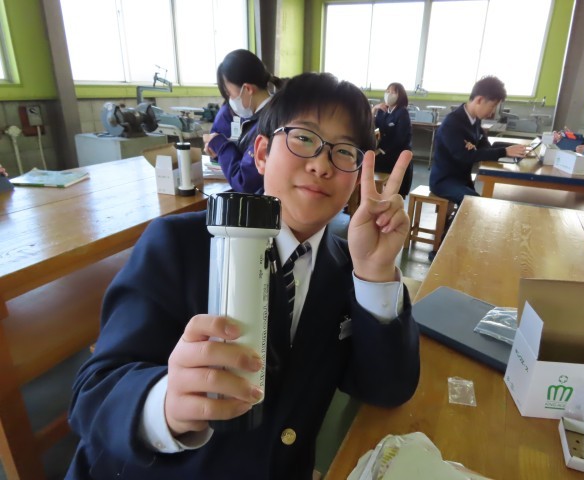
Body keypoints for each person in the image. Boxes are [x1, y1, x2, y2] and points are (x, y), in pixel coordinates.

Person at [65, 72, 420, 480]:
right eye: (304, 138)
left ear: (358, 174)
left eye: (343, 152)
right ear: (262, 153)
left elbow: (387, 389)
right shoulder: (178, 245)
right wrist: (165, 404)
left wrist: (375, 274)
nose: (321, 165)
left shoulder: (349, 270)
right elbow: (93, 394)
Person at [429, 76, 526, 206]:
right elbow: (465, 156)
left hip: (462, 178)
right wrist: (503, 151)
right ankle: (455, 219)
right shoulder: (452, 123)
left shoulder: (475, 120)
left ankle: (456, 218)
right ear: (479, 100)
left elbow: (484, 144)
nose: (492, 112)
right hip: (444, 181)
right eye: (492, 106)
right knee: (474, 202)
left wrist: (477, 149)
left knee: (477, 202)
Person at [203, 49, 283, 194]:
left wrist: (221, 146)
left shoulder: (268, 123)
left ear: (247, 89)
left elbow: (244, 182)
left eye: (229, 94)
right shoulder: (270, 113)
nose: (230, 100)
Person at [372, 82, 413, 196]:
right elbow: (373, 129)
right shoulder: (382, 110)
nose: (389, 94)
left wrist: (381, 150)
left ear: (400, 96)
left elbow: (400, 139)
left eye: (393, 92)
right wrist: (374, 109)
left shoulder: (402, 113)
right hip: (383, 154)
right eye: (387, 91)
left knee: (394, 191)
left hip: (395, 155)